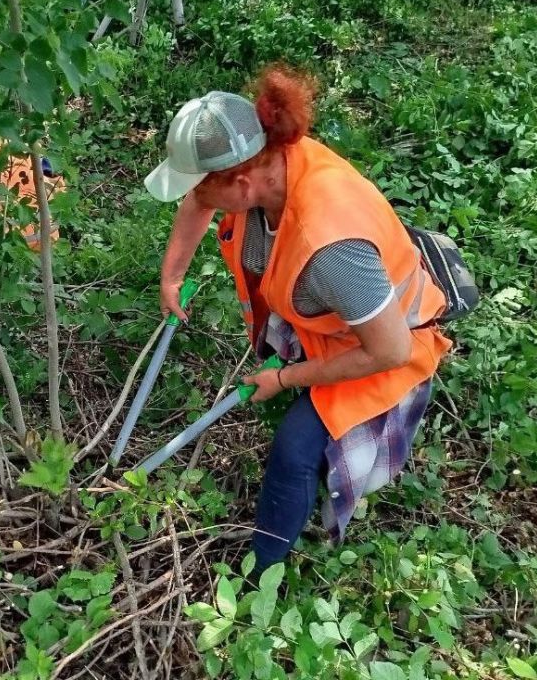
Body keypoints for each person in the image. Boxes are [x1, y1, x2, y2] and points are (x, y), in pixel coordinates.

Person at [143, 64, 452, 570]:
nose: (195, 199)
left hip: (390, 345)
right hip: (332, 319)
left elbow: (388, 350)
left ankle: (260, 575)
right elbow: (200, 202)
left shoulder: (331, 247)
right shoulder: (266, 160)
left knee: (294, 449)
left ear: (241, 184)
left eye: (200, 189)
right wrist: (171, 276)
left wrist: (286, 377)